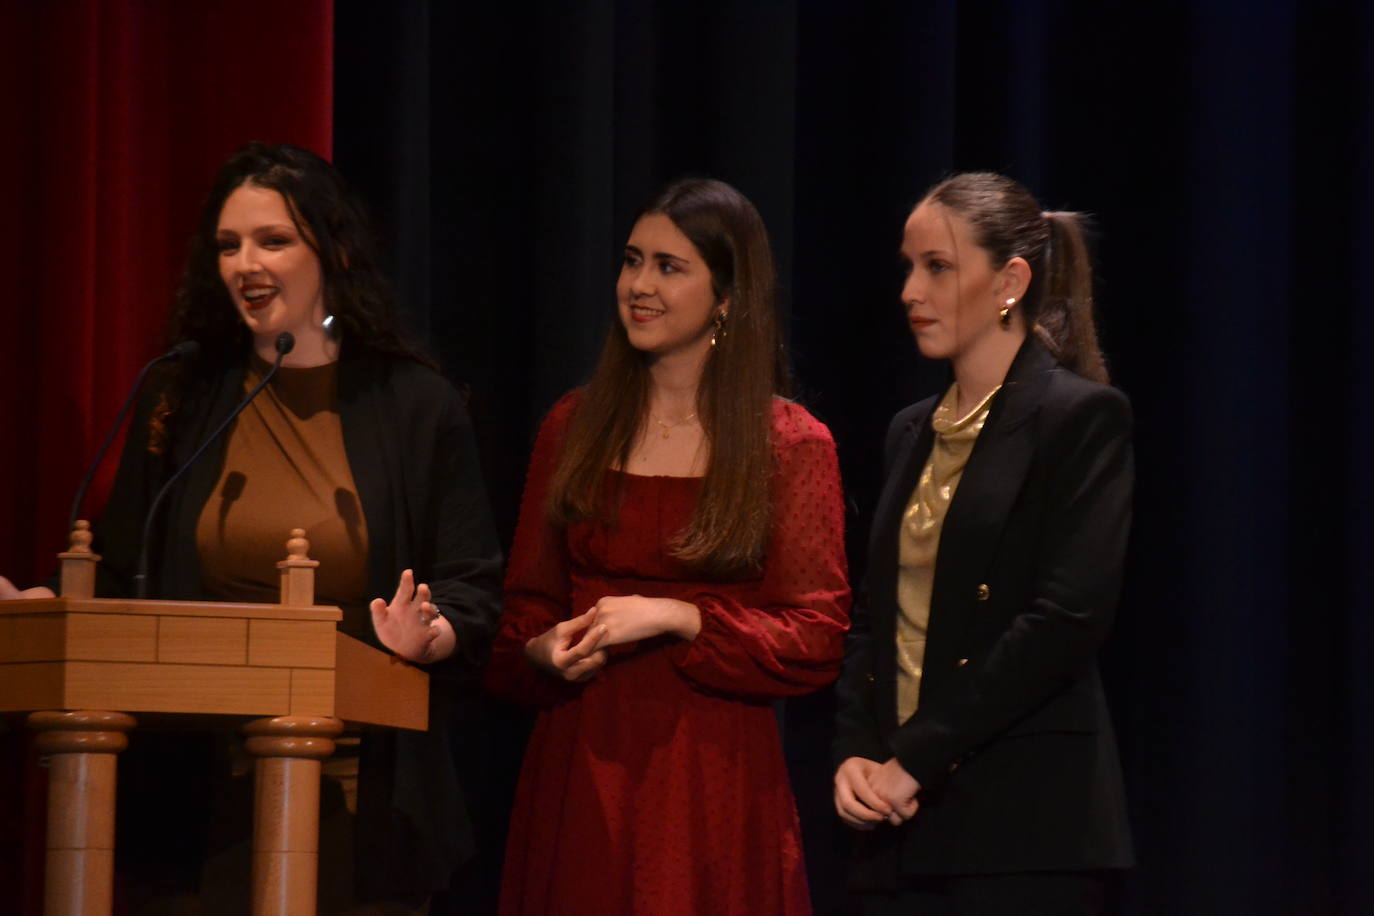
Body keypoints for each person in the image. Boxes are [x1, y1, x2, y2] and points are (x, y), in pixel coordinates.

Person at [2, 142, 503, 913]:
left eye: (273, 241)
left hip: (358, 794)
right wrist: (46, 605)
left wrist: (426, 638)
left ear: (332, 249)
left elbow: (471, 588)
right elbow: (121, 565)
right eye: (229, 245)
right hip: (192, 795)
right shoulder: (183, 391)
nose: (246, 264)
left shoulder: (414, 405)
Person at [482, 178, 850, 915]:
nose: (638, 286)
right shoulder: (574, 425)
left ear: (726, 297)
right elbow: (523, 608)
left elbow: (816, 637)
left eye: (669, 267)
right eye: (631, 261)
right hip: (581, 760)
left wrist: (682, 618)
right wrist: (539, 651)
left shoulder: (789, 444)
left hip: (711, 777)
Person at [832, 172, 1134, 915]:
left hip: (1022, 830)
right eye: (908, 266)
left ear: (1010, 281)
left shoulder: (1080, 418)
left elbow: (1063, 622)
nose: (910, 290)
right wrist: (856, 754)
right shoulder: (911, 430)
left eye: (938, 267)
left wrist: (916, 757)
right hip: (897, 827)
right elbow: (875, 619)